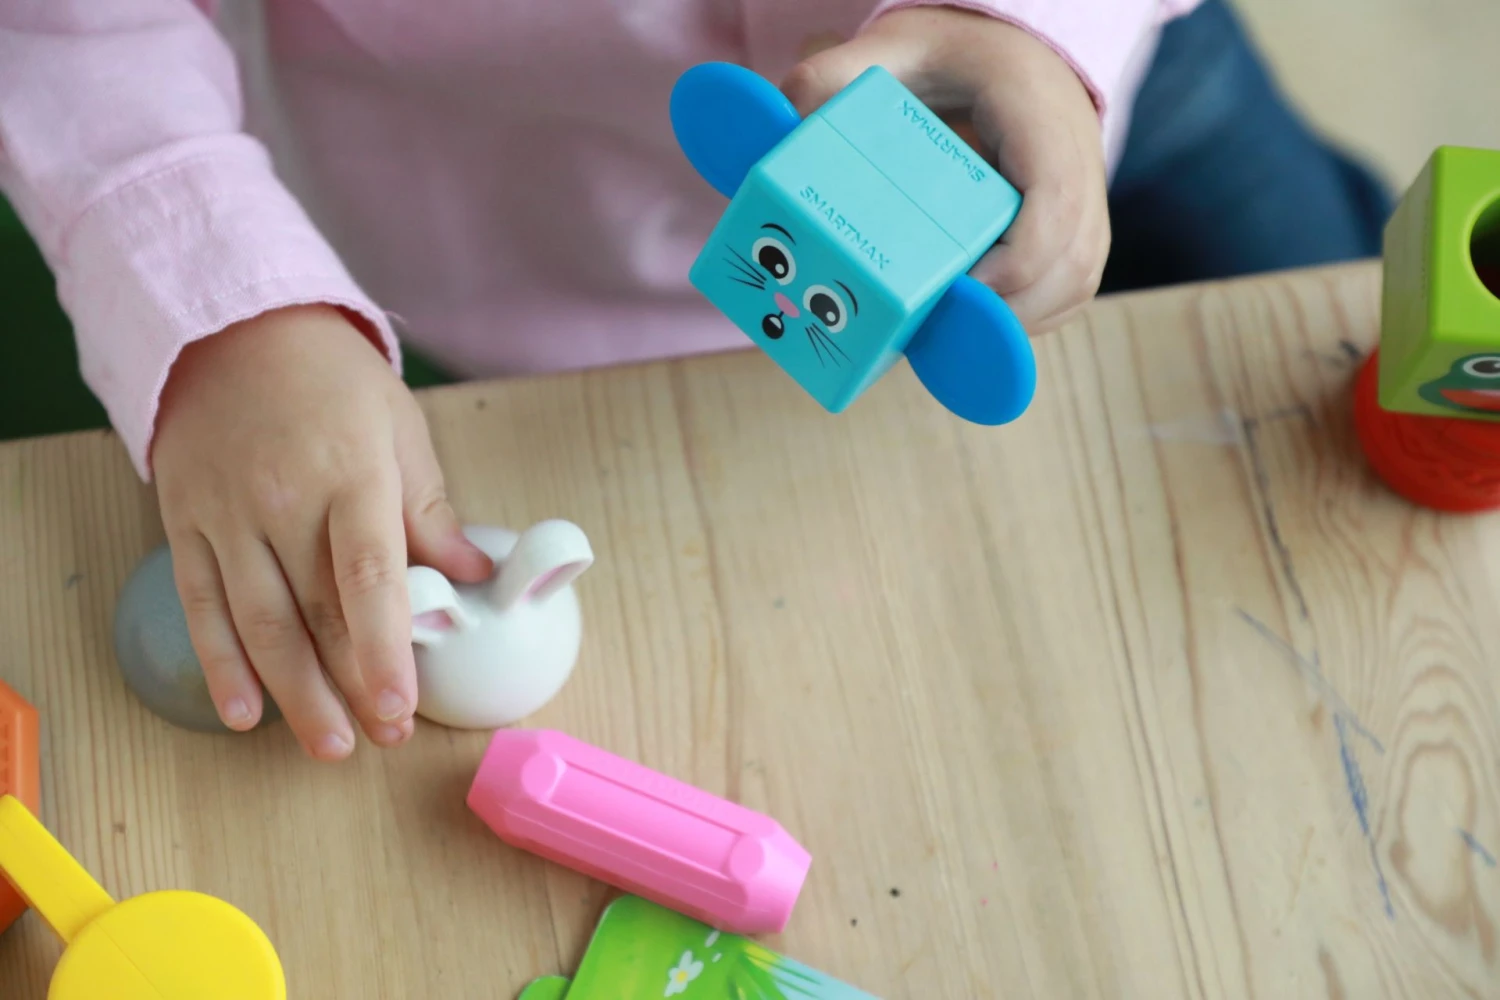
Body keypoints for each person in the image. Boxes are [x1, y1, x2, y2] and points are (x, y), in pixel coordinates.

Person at [0, 0, 1388, 761]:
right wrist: (224, 304)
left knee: (1338, 320)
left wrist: (1033, 24)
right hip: (526, 223)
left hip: (1095, 76)